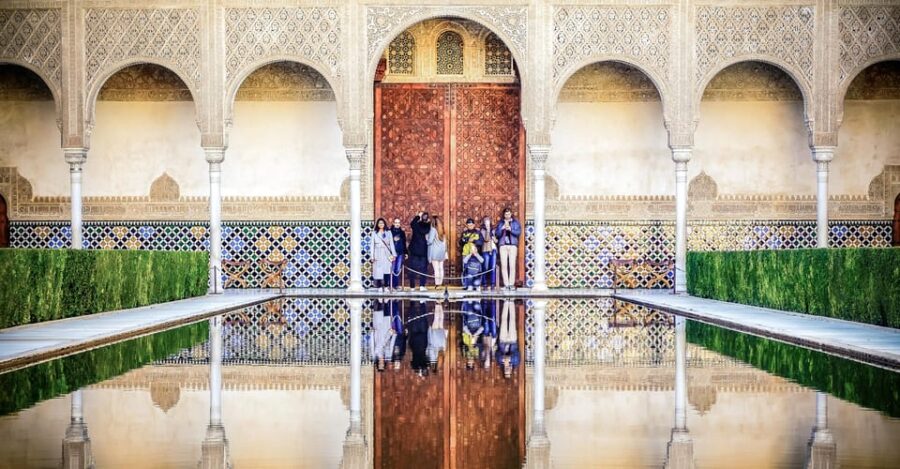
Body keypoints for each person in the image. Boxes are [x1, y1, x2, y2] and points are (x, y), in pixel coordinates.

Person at [495, 207, 521, 290]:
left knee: (512, 265)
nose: (507, 215)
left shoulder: (515, 223)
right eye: (506, 214)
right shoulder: (500, 223)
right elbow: (497, 234)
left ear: (511, 214)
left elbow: (518, 233)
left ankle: (511, 284)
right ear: (504, 215)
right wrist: (501, 229)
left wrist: (511, 229)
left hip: (512, 245)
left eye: (509, 214)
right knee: (504, 265)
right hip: (503, 245)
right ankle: (506, 285)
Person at [407, 212, 432, 291]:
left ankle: (412, 286)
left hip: (414, 250)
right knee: (423, 269)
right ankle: (422, 286)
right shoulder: (427, 226)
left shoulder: (416, 225)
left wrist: (418, 216)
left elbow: (412, 223)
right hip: (423, 250)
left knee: (412, 269)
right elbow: (425, 231)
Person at [370, 218, 396, 292]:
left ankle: (386, 286)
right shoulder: (374, 233)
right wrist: (372, 256)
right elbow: (372, 245)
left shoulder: (388, 232)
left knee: (387, 270)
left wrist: (394, 254)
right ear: (377, 224)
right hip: (377, 253)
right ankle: (380, 286)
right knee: (378, 271)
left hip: (386, 253)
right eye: (379, 223)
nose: (381, 224)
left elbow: (391, 244)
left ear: (384, 224)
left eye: (382, 223)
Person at [497, 300, 520, 378]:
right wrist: (509, 360)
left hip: (503, 340)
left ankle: (506, 302)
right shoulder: (515, 362)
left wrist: (504, 359)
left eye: (506, 373)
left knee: (503, 320)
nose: (507, 371)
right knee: (512, 320)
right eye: (509, 373)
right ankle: (512, 302)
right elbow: (516, 354)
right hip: (512, 341)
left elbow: (498, 354)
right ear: (511, 371)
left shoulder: (500, 362)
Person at [459, 218, 484, 291]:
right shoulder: (464, 233)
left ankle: (476, 284)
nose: (470, 226)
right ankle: (466, 285)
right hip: (466, 254)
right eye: (468, 225)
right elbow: (460, 242)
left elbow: (481, 242)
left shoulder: (478, 232)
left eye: (471, 224)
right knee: (465, 270)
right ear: (466, 225)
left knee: (476, 270)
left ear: (474, 225)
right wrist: (466, 240)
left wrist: (474, 241)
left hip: (475, 255)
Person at [370, 300, 396, 372]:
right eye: (382, 365)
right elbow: (391, 345)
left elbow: (372, 344)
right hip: (386, 331)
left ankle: (378, 295)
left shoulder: (375, 355)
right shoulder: (388, 356)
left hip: (378, 332)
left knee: (378, 311)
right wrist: (394, 335)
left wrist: (372, 333)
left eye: (380, 365)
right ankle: (386, 295)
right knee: (386, 312)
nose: (381, 364)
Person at [426, 216, 448, 288]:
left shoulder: (433, 230)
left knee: (436, 269)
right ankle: (440, 283)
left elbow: (430, 241)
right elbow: (445, 243)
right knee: (441, 268)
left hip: (435, 252)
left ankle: (437, 284)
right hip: (441, 252)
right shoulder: (442, 230)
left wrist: (426, 238)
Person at [480, 217, 499, 290]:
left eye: (488, 221)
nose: (487, 223)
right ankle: (484, 284)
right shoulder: (482, 230)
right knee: (485, 267)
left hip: (493, 250)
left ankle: (492, 284)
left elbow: (497, 241)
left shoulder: (493, 230)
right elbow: (486, 239)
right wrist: (488, 230)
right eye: (486, 222)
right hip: (486, 250)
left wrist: (495, 239)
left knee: (493, 267)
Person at [389, 218, 407, 289]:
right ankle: (390, 285)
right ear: (393, 223)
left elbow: (404, 243)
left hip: (400, 253)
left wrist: (405, 253)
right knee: (392, 269)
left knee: (397, 269)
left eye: (398, 223)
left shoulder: (402, 233)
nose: (397, 224)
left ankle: (395, 285)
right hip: (392, 253)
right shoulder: (390, 232)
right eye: (396, 222)